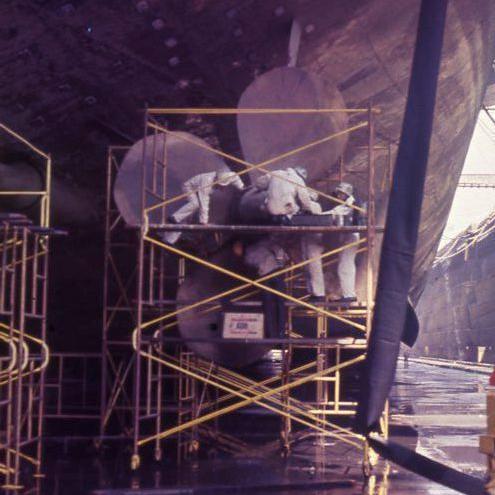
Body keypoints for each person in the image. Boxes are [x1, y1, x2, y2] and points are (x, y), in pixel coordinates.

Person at [254, 166, 324, 302]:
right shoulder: (297, 180)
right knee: (307, 259)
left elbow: (259, 184)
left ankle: (279, 256)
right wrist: (307, 209)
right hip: (287, 216)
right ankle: (281, 258)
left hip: (271, 215)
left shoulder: (275, 173)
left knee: (279, 244)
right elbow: (304, 201)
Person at [164, 167, 245, 244]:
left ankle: (169, 241)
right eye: (220, 186)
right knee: (195, 204)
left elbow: (236, 178)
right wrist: (204, 222)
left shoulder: (228, 176)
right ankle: (174, 217)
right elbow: (204, 203)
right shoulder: (206, 183)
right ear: (216, 180)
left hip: (199, 191)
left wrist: (242, 188)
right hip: (190, 187)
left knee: (186, 218)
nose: (222, 188)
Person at [243, 238, 288, 338]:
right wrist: (281, 263)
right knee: (278, 304)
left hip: (268, 274)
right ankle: (278, 333)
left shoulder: (251, 249)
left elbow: (280, 253)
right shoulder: (256, 247)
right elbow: (281, 254)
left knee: (271, 305)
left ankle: (274, 333)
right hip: (273, 273)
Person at [328, 181, 361, 303]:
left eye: (340, 194)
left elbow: (336, 212)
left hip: (351, 236)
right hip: (347, 236)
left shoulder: (351, 204)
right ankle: (347, 294)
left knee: (345, 265)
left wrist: (317, 215)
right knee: (344, 264)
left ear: (346, 194)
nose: (338, 196)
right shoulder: (347, 203)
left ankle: (349, 295)